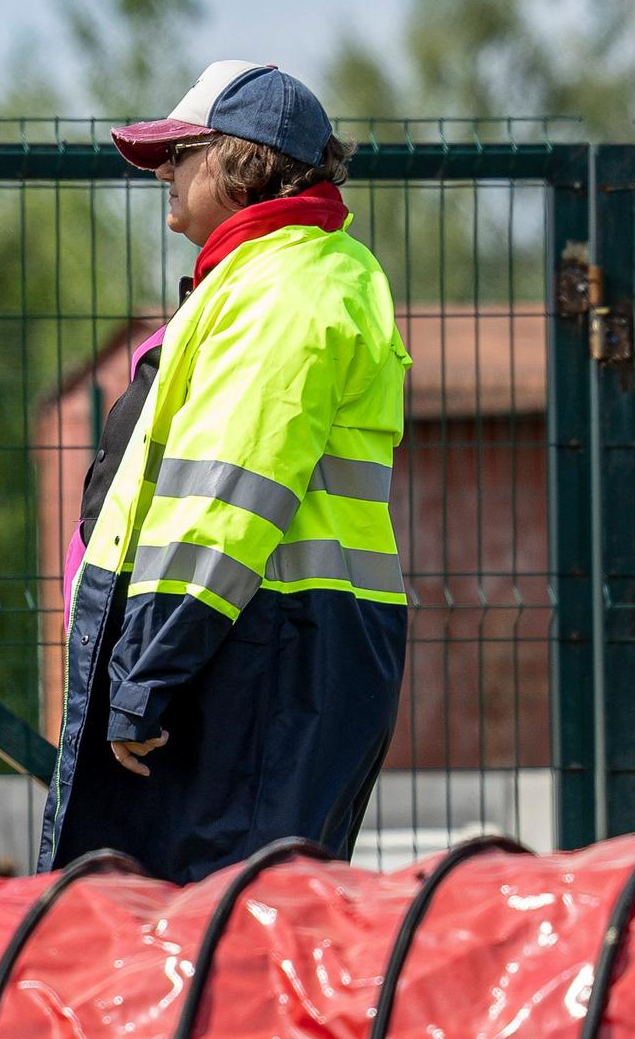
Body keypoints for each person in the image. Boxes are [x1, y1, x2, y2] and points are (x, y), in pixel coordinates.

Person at [38, 62, 408, 884]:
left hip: (258, 661)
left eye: (182, 152)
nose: (165, 172)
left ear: (243, 161)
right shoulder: (264, 280)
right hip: (251, 652)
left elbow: (226, 502)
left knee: (219, 943)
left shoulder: (286, 287)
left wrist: (146, 675)